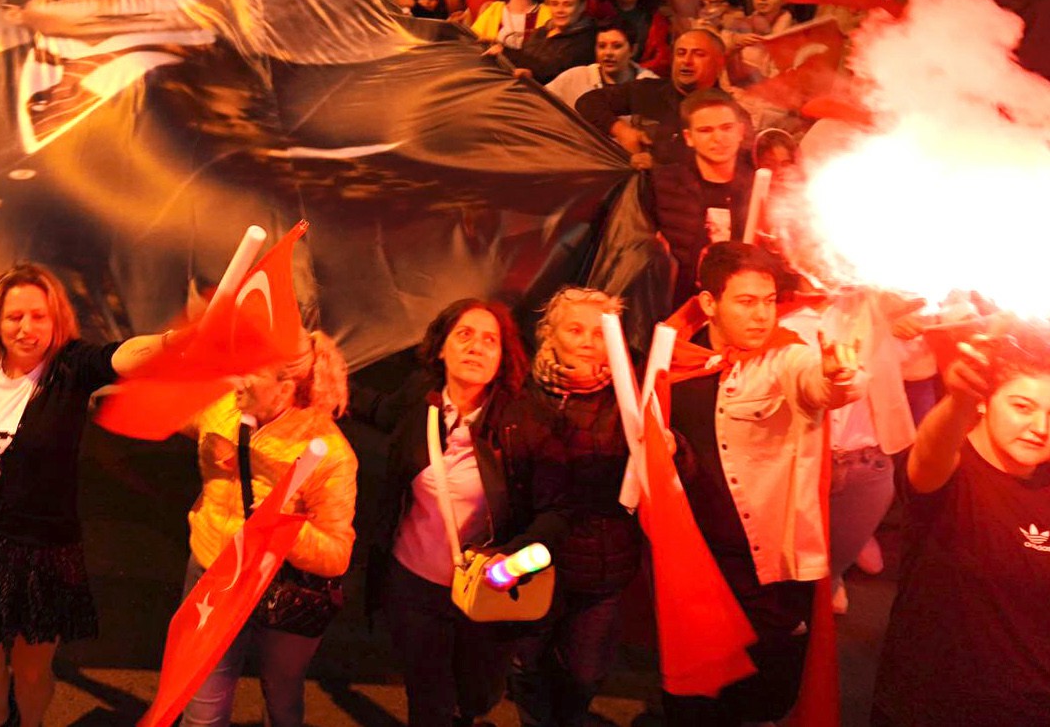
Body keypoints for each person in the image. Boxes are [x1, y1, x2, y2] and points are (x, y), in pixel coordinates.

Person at [0, 265, 174, 727]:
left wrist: (167, 343)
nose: (26, 328)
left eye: (38, 316)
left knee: (31, 671)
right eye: (14, 317)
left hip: (46, 550)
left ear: (56, 319)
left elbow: (119, 358)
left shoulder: (71, 367)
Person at [662, 242, 862, 727]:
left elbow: (820, 385)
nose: (761, 316)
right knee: (696, 693)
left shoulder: (786, 358)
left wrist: (839, 376)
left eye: (769, 301)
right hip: (697, 561)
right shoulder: (674, 359)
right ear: (710, 304)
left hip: (770, 567)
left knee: (762, 696)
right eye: (746, 302)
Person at [344, 299, 555, 727]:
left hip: (487, 589)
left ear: (502, 358)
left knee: (480, 696)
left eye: (489, 340)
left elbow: (556, 509)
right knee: (429, 702)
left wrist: (514, 556)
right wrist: (314, 374)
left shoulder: (523, 421)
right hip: (414, 586)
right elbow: (377, 409)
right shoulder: (418, 401)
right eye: (464, 335)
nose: (476, 347)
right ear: (441, 348)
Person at [870, 332, 1050, 726]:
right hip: (937, 705)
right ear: (985, 400)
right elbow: (931, 455)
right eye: (1022, 406)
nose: (1040, 427)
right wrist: (957, 403)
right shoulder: (951, 474)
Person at [179, 332, 356, 727]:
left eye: (250, 373)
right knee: (201, 710)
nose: (236, 379)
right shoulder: (222, 407)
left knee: (282, 699)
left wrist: (285, 529)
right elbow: (175, 412)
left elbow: (337, 552)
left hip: (279, 587)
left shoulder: (329, 452)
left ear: (285, 388)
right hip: (213, 575)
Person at [509, 289, 639, 727]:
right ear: (550, 336)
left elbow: (668, 466)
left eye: (598, 332)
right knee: (527, 659)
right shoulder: (524, 390)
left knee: (585, 671)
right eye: (574, 329)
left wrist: (671, 450)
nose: (587, 341)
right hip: (535, 556)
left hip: (600, 564)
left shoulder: (632, 394)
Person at [649, 90, 755, 306]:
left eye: (727, 128)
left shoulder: (759, 186)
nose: (718, 138)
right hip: (678, 309)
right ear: (689, 138)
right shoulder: (661, 184)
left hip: (743, 308)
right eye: (706, 130)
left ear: (741, 131)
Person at [575, 26, 726, 167]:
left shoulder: (728, 112)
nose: (686, 61)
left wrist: (661, 167)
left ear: (719, 63)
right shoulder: (649, 90)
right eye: (681, 53)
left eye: (698, 54)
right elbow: (588, 102)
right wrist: (621, 130)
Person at [544, 20, 657, 106]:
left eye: (616, 46)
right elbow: (539, 99)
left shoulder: (649, 85)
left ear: (633, 50)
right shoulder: (575, 78)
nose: (608, 53)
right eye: (602, 46)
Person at [508, 0, 597, 83]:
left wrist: (532, 73)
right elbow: (523, 56)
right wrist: (502, 51)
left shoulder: (586, 39)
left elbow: (554, 68)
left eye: (567, 5)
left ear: (582, 7)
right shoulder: (541, 32)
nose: (560, 10)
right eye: (555, 4)